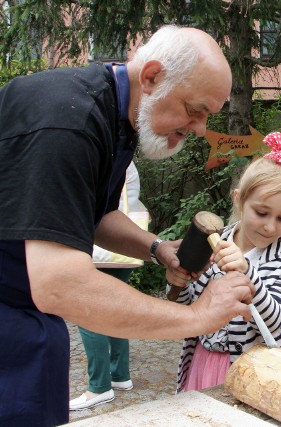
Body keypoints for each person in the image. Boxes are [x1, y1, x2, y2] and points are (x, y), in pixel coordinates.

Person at [0, 25, 255, 426]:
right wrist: (198, 317)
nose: (201, 129)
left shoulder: (121, 117)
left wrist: (156, 248)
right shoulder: (68, 122)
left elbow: (95, 214)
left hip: (30, 314)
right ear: (152, 76)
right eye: (196, 110)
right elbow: (59, 285)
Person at [166, 132, 281, 392]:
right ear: (239, 199)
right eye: (261, 213)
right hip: (204, 362)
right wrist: (178, 282)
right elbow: (188, 307)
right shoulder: (213, 242)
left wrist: (248, 273)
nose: (270, 226)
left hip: (256, 371)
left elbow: (276, 322)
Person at [70, 162, 146, 410]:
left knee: (87, 314)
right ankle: (120, 376)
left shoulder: (104, 153)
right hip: (123, 250)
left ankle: (99, 387)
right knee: (116, 312)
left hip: (99, 248)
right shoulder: (128, 162)